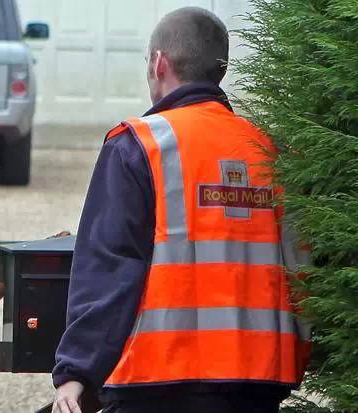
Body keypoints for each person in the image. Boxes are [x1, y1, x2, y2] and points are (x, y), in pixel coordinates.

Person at [51, 7, 311, 413]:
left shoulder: (138, 145)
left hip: (157, 381)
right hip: (258, 382)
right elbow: (302, 270)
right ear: (218, 71)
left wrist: (77, 371)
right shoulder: (270, 151)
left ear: (159, 63)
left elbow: (110, 266)